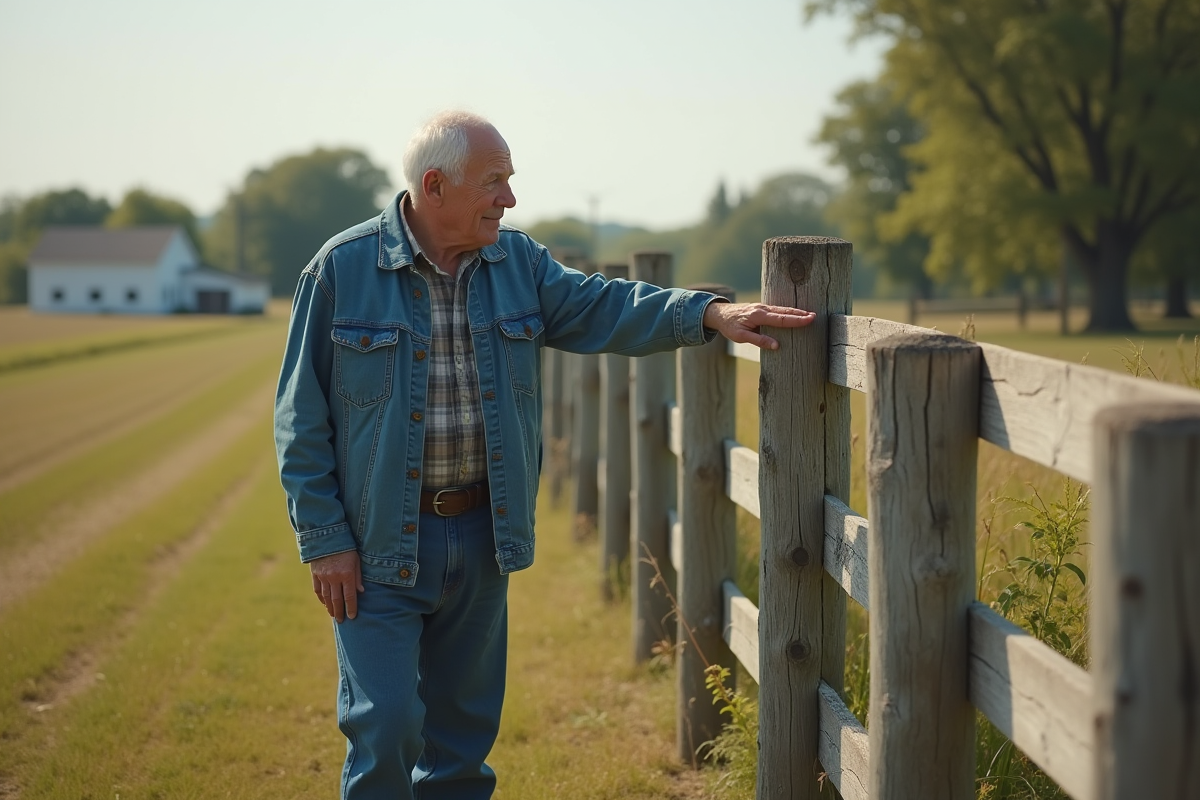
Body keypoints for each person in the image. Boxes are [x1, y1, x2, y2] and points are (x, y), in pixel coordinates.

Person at [274, 110, 816, 800]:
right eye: (493, 182)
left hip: (481, 535)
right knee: (385, 725)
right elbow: (300, 418)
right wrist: (325, 541)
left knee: (462, 740)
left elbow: (604, 306)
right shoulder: (340, 270)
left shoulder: (518, 264)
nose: (509, 198)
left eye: (509, 180)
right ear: (434, 186)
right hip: (377, 544)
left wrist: (708, 314)